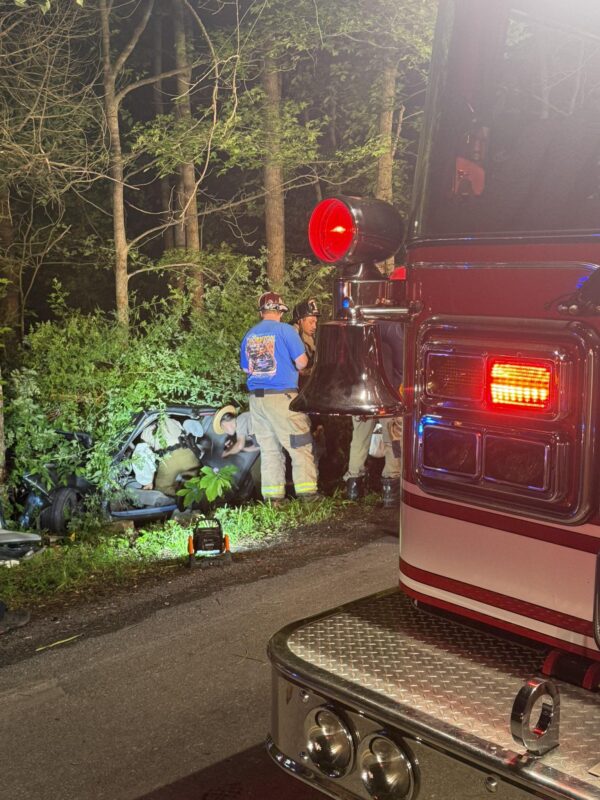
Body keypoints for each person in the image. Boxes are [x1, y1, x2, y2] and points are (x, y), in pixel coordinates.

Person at [240, 291, 319, 504]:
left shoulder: (250, 334)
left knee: (269, 450)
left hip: (257, 401)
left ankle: (273, 499)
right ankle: (308, 496)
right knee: (300, 445)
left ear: (262, 312)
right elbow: (302, 362)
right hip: (282, 398)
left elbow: (246, 368)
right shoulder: (286, 331)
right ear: (281, 311)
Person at [344, 321, 404, 508]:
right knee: (394, 442)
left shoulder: (356, 342)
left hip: (361, 399)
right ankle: (391, 490)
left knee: (359, 441)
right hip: (388, 399)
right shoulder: (394, 337)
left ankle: (353, 488)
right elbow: (400, 370)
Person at [291, 298, 320, 386]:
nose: (314, 326)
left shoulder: (310, 337)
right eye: (311, 322)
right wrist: (309, 371)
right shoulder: (291, 336)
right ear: (300, 321)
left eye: (315, 322)